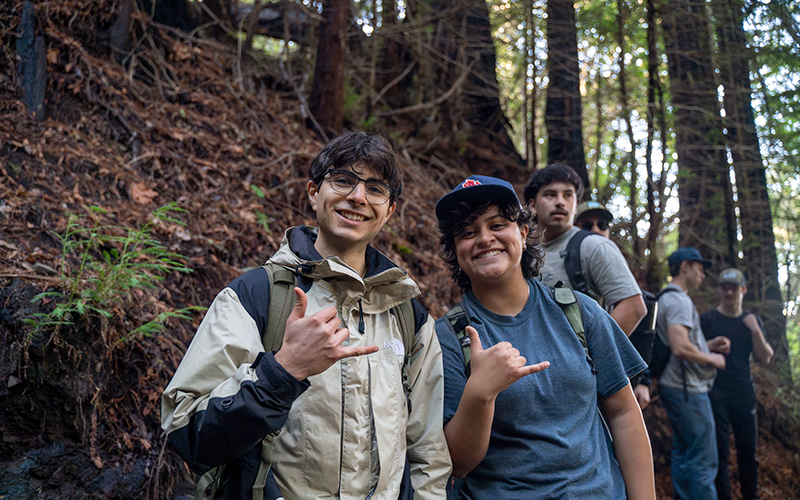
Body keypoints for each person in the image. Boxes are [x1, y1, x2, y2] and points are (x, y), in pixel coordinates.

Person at [161, 131, 452, 500]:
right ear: (314, 192)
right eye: (344, 180)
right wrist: (283, 371)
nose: (358, 197)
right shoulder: (257, 296)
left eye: (376, 189)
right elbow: (187, 432)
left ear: (389, 209)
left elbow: (427, 452)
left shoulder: (408, 316)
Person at [434, 175, 655, 499]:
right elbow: (458, 463)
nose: (484, 238)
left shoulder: (579, 311)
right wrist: (480, 393)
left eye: (497, 225)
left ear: (523, 233)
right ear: (456, 250)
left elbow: (623, 413)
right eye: (468, 232)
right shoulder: (449, 336)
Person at [523, 164, 647, 337]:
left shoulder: (594, 246)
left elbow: (633, 307)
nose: (560, 202)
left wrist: (593, 358)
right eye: (550, 194)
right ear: (532, 205)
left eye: (568, 195)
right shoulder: (520, 250)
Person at [656, 247, 732, 500]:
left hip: (676, 386)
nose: (703, 275)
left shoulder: (669, 298)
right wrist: (714, 359)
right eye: (700, 268)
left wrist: (709, 344)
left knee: (684, 451)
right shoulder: (678, 300)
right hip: (687, 390)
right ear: (685, 266)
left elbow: (681, 342)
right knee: (703, 458)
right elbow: (679, 346)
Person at [575, 199, 656, 410]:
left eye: (602, 225)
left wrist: (642, 380)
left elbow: (641, 324)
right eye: (586, 225)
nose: (596, 229)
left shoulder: (616, 265)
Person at [701, 268, 773, 500]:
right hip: (715, 393)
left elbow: (766, 357)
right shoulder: (708, 319)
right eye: (725, 287)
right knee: (720, 453)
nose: (729, 292)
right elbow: (689, 350)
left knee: (747, 453)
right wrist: (710, 345)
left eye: (734, 287)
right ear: (719, 289)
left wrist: (755, 331)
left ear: (743, 290)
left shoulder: (751, 321)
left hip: (744, 394)